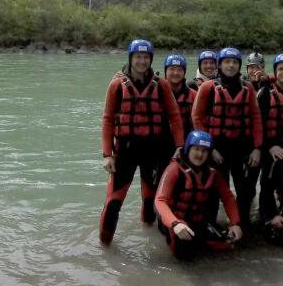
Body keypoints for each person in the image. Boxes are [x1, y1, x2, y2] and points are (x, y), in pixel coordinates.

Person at [99, 39, 185, 245]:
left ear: (151, 59)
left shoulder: (161, 84)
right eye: (138, 57)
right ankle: (104, 246)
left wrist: (180, 146)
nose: (142, 61)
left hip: (152, 151)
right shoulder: (117, 85)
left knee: (150, 200)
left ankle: (148, 236)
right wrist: (107, 154)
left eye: (146, 57)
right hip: (125, 151)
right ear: (131, 58)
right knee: (113, 202)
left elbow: (174, 116)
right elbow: (108, 119)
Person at [191, 47, 264, 231]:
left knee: (245, 191)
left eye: (234, 62)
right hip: (217, 149)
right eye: (227, 62)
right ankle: (210, 226)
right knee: (214, 191)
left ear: (239, 65)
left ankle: (241, 225)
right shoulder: (208, 87)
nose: (230, 65)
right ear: (220, 64)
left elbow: (256, 118)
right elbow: (197, 118)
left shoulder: (247, 87)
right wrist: (210, 148)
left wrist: (257, 147)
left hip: (242, 148)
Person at [154, 130, 243, 260]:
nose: (200, 154)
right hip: (176, 221)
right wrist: (175, 224)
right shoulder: (174, 169)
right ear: (188, 149)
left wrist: (235, 223)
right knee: (185, 254)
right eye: (196, 149)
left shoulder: (213, 174)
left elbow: (228, 198)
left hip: (199, 221)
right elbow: (160, 201)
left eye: (204, 150)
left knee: (229, 246)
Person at [162, 54, 196, 136]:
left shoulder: (194, 95)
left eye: (180, 70)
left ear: (184, 73)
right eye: (172, 69)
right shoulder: (157, 93)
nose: (176, 73)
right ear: (165, 71)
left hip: (187, 138)